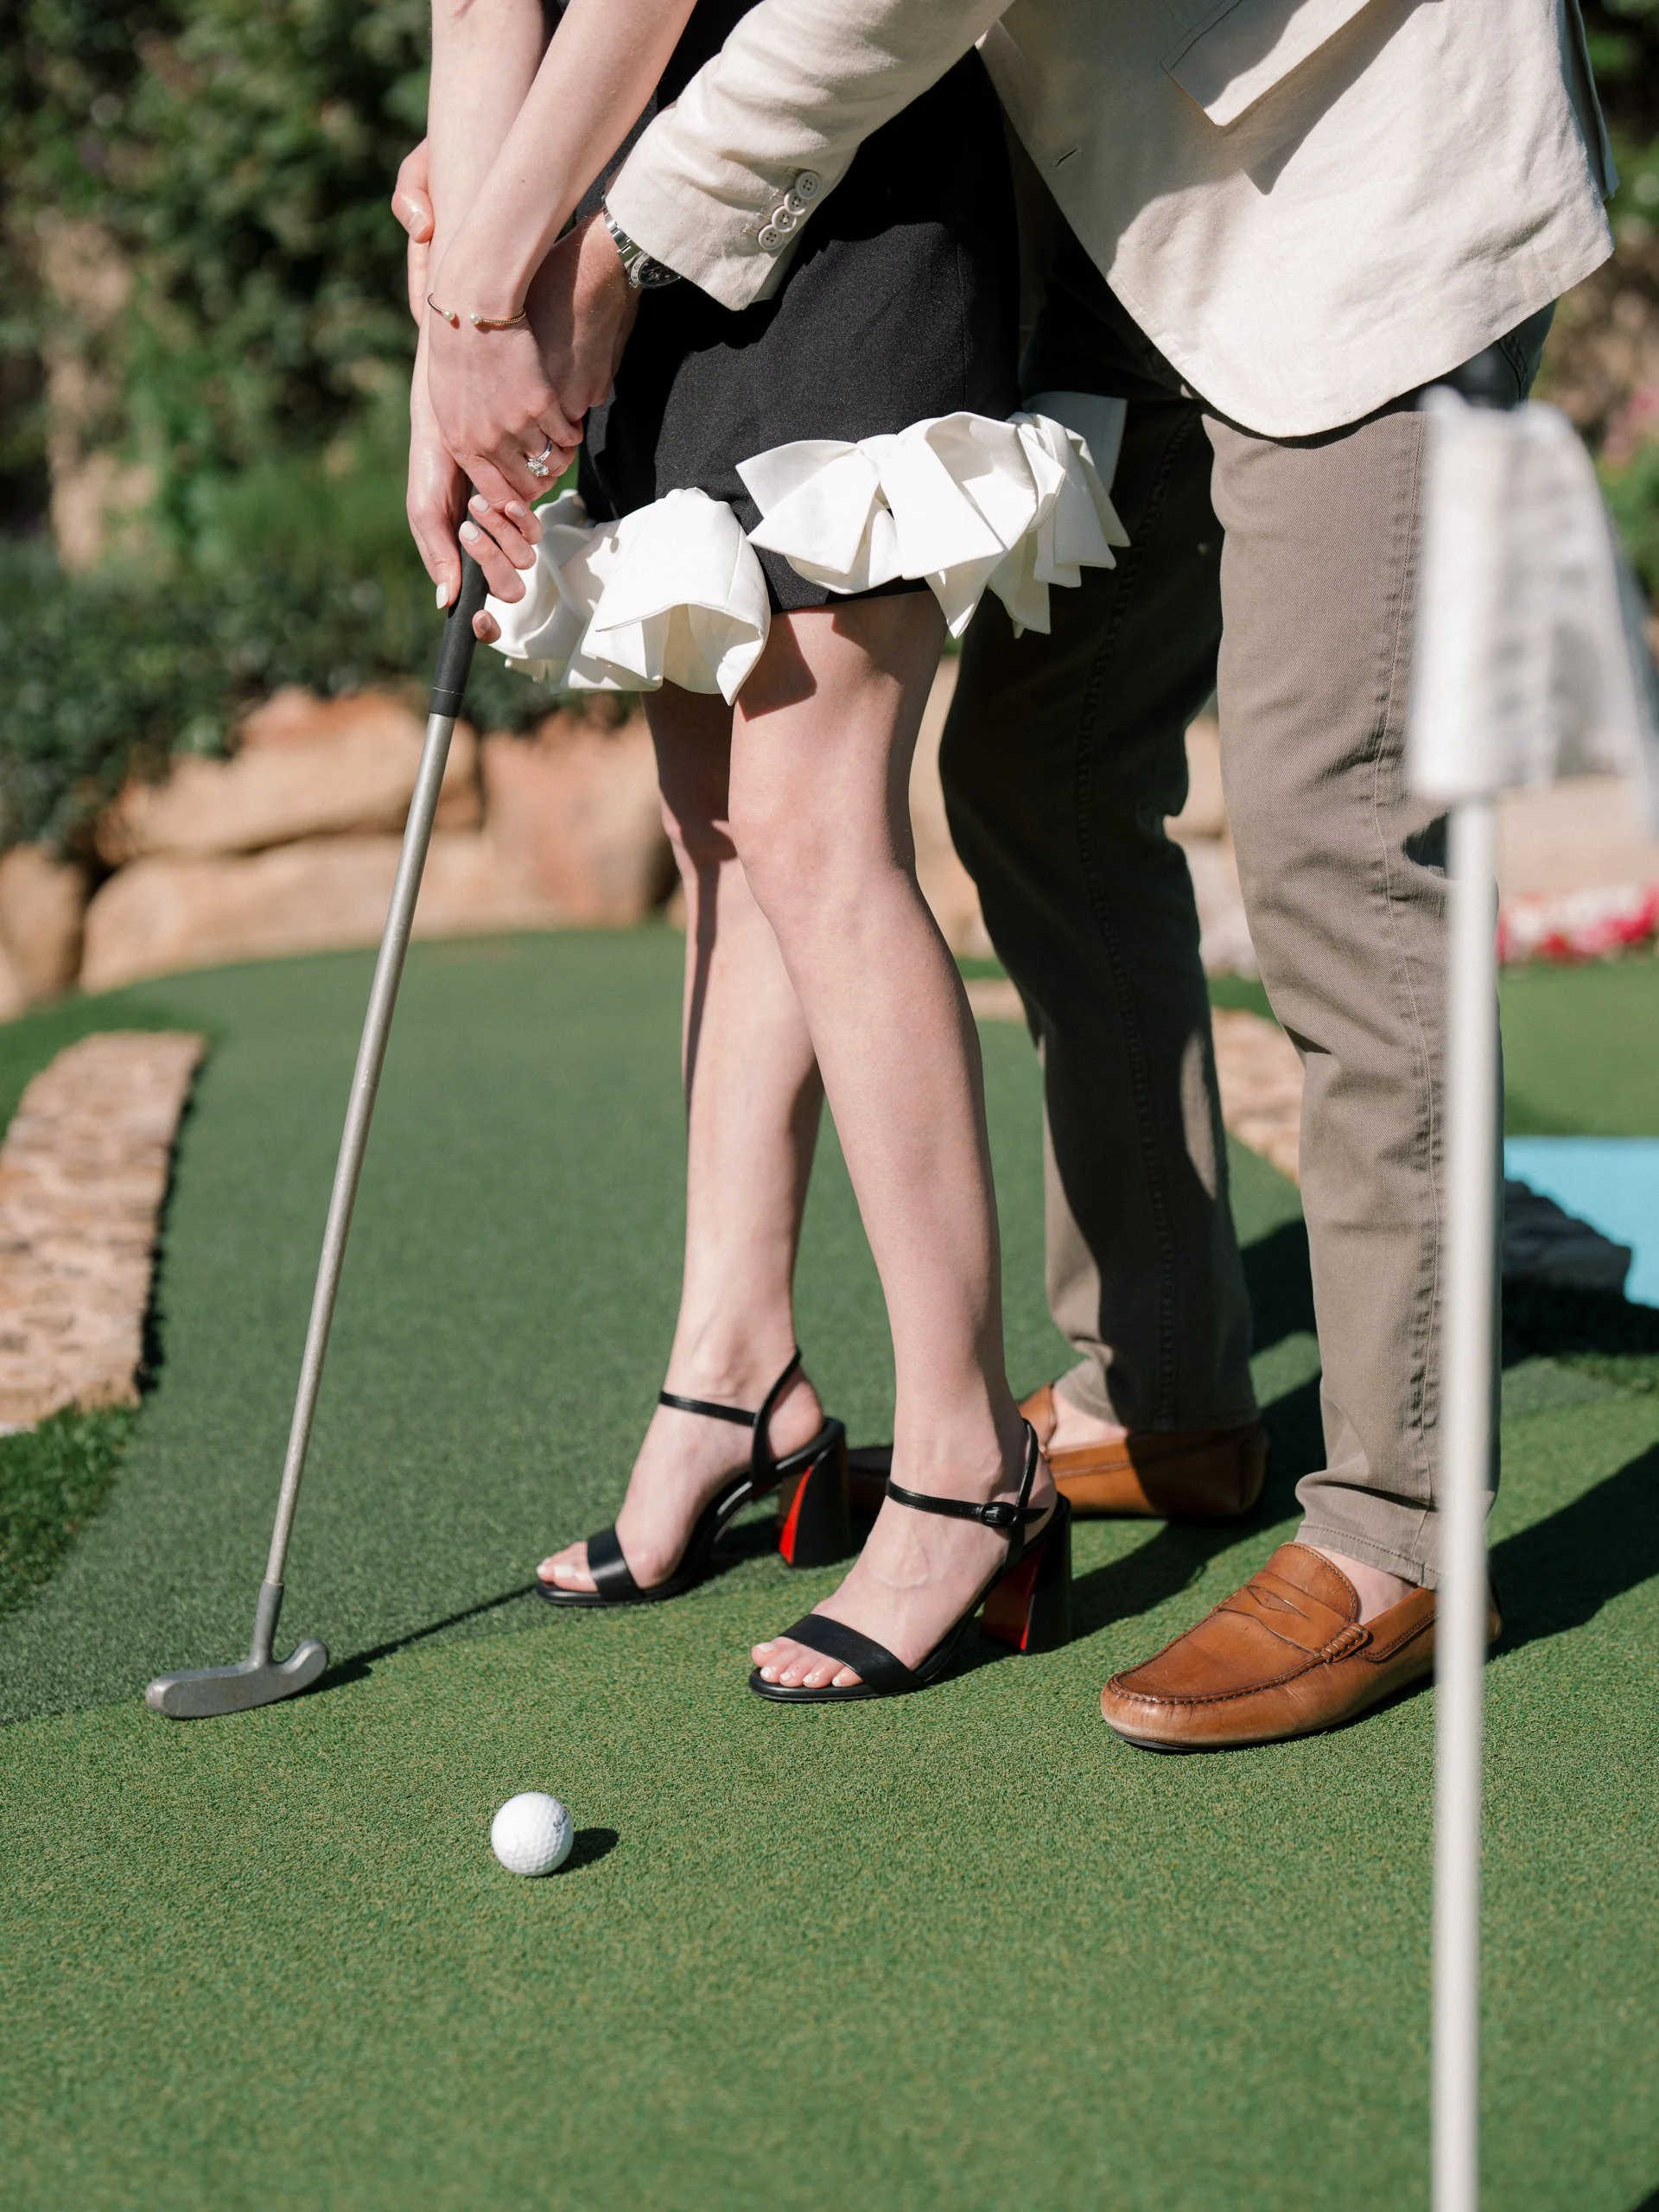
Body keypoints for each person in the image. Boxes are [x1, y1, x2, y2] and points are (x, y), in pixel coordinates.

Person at [408, 0, 1615, 1745]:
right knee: (1036, 775)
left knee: (1332, 827)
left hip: (1360, 167)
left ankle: (1401, 1526)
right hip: (1110, 201)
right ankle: (1171, 1389)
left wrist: (609, 233)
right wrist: (492, 208)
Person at [404, 0, 1126, 1698]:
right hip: (603, 238)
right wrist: (461, 316)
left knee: (813, 824)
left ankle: (970, 1460)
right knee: (718, 828)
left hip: (822, 174)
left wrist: (498, 271)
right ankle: (737, 1372)